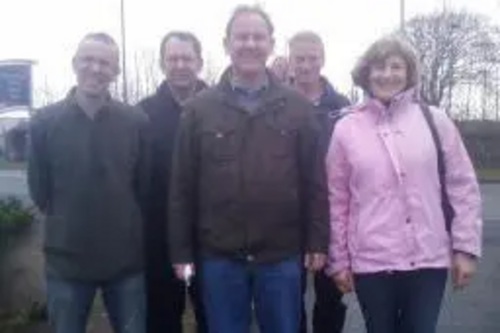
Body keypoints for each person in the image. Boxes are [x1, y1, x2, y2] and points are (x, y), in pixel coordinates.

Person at [168, 5, 329, 333]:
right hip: (220, 256)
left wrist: (317, 240)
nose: (250, 44)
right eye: (242, 37)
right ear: (226, 44)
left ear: (271, 44)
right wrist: (181, 252)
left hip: (281, 255)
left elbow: (315, 180)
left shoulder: (297, 108)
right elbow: (181, 188)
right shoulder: (199, 110)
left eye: (259, 37)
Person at [326, 35, 482, 333]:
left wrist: (465, 248)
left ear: (409, 72)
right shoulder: (346, 129)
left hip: (428, 259)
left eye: (396, 66)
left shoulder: (436, 121)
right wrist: (339, 260)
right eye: (379, 67)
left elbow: (462, 186)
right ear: (366, 74)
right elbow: (337, 200)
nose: (387, 74)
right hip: (372, 261)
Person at [27, 33, 149, 333]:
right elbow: (39, 190)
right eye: (88, 60)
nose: (96, 69)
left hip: (125, 262)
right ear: (74, 64)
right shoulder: (44, 122)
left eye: (105, 63)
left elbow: (143, 188)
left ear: (115, 72)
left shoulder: (136, 122)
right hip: (66, 262)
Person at [138, 31, 207, 333]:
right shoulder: (142, 114)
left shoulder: (220, 109)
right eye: (173, 58)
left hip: (212, 241)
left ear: (199, 62)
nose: (180, 65)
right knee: (162, 321)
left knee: (215, 319)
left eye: (187, 58)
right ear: (162, 64)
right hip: (160, 241)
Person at [288, 31, 350, 333]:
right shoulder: (277, 101)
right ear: (290, 60)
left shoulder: (342, 105)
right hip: (287, 217)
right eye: (299, 58)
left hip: (331, 215)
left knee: (330, 297)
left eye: (312, 58)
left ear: (322, 60)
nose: (306, 65)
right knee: (290, 297)